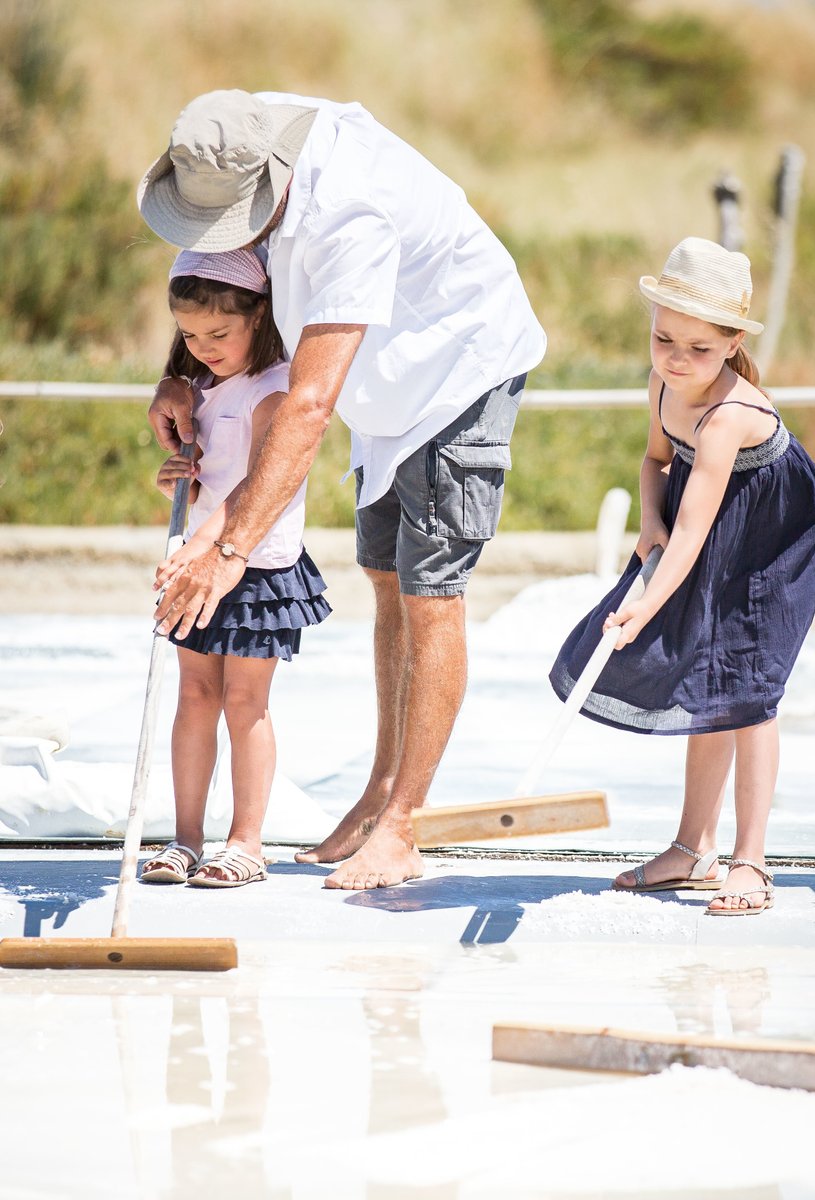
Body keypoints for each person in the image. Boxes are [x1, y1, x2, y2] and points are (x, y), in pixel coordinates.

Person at [137, 90, 546, 890]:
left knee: (432, 592)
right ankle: (378, 796)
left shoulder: (346, 212)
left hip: (454, 370)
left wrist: (227, 549)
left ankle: (402, 826)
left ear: (271, 190)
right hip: (383, 385)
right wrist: (178, 374)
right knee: (386, 579)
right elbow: (219, 291)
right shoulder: (240, 132)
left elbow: (309, 403)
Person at [549, 238, 815, 915]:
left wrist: (643, 608)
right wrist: (648, 518)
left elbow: (696, 530)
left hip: (774, 539)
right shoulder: (663, 385)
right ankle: (692, 848)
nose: (677, 359)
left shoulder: (729, 417)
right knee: (707, 679)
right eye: (664, 339)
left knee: (750, 691)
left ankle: (752, 861)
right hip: (700, 523)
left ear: (734, 343)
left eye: (700, 349)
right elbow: (655, 464)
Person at [141, 248, 331, 888]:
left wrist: (206, 544)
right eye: (190, 335)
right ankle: (185, 838)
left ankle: (247, 841)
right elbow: (212, 483)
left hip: (256, 570)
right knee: (194, 696)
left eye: (219, 334)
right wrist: (181, 482)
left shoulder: (275, 390)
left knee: (245, 702)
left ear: (259, 316)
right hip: (201, 563)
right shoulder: (202, 388)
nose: (204, 347)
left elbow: (258, 486)